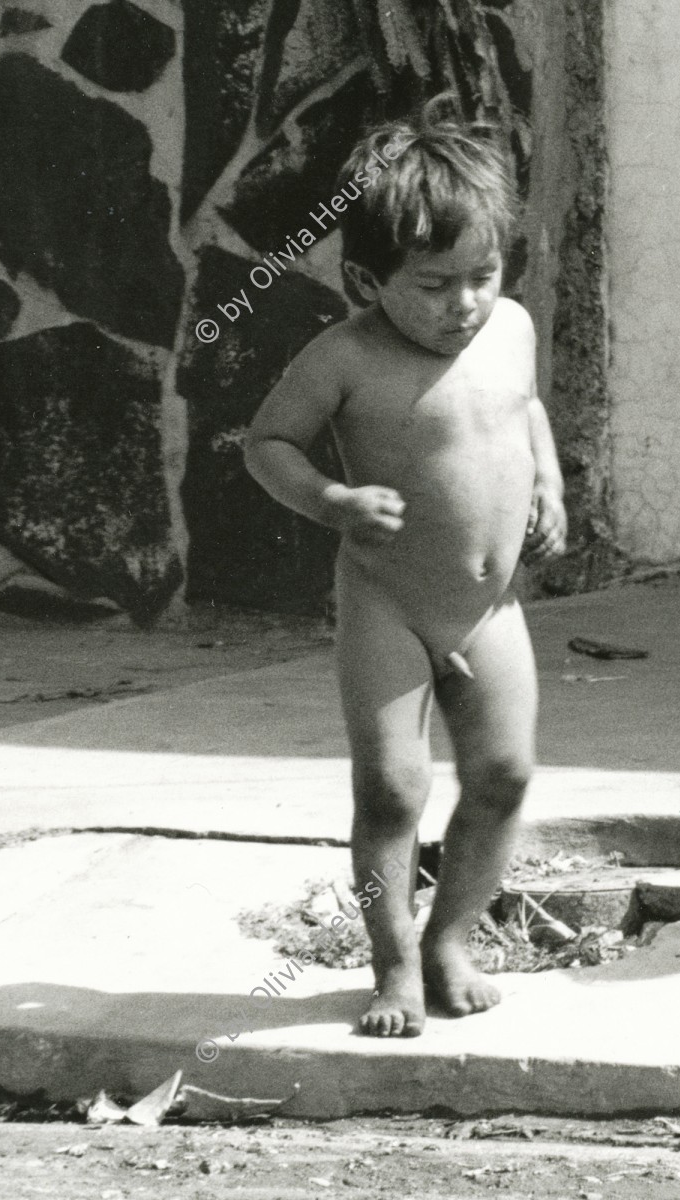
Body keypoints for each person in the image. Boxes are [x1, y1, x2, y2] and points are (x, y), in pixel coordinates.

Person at [245, 98, 566, 1036]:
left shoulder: (508, 329)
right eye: (433, 284)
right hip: (388, 600)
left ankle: (450, 940)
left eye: (482, 274)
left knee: (505, 773)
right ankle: (391, 966)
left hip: (492, 605)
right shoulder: (343, 357)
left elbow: (525, 410)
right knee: (392, 787)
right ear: (364, 279)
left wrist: (548, 485)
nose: (463, 303)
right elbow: (270, 443)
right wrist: (330, 502)